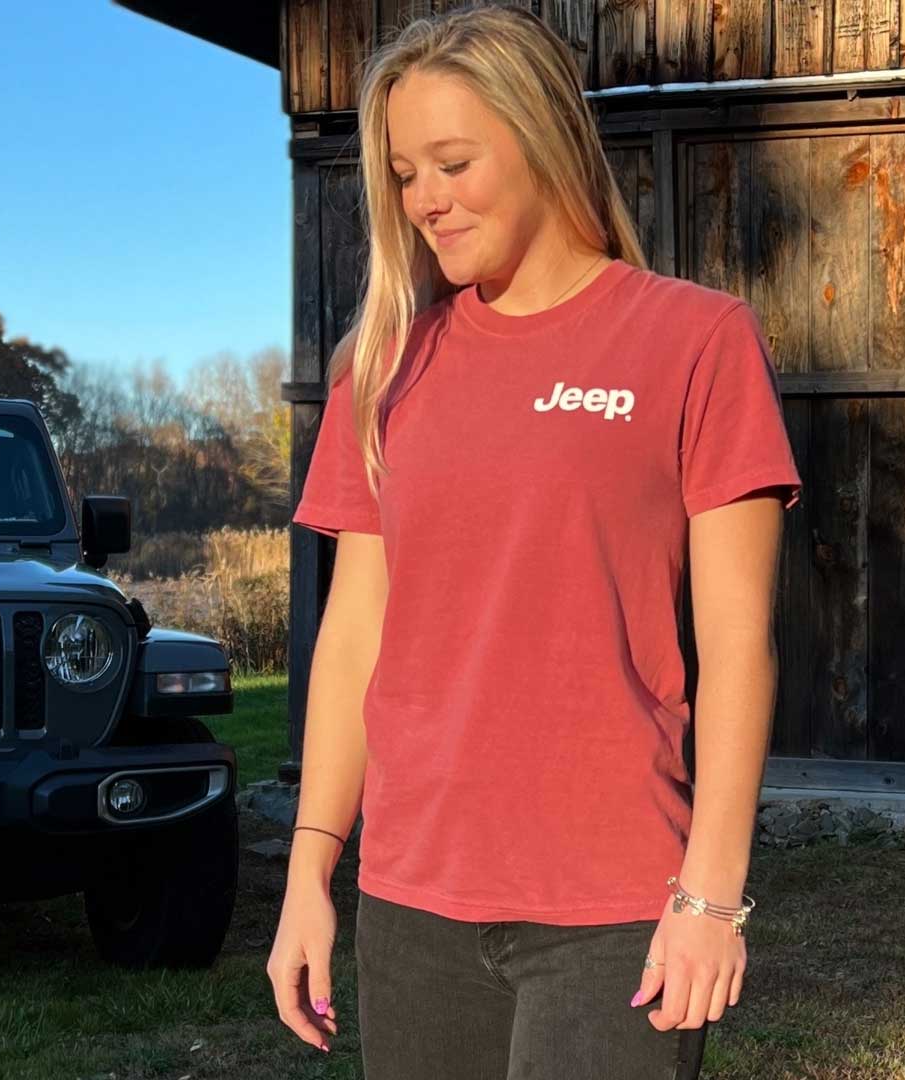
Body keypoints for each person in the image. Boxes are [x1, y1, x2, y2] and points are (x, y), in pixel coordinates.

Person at [266, 3, 803, 1077]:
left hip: (614, 909)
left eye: (453, 162)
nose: (425, 199)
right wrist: (308, 872)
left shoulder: (696, 340)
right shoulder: (381, 367)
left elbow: (739, 642)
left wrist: (711, 894)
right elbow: (355, 635)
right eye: (404, 174)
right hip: (411, 904)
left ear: (543, 138)